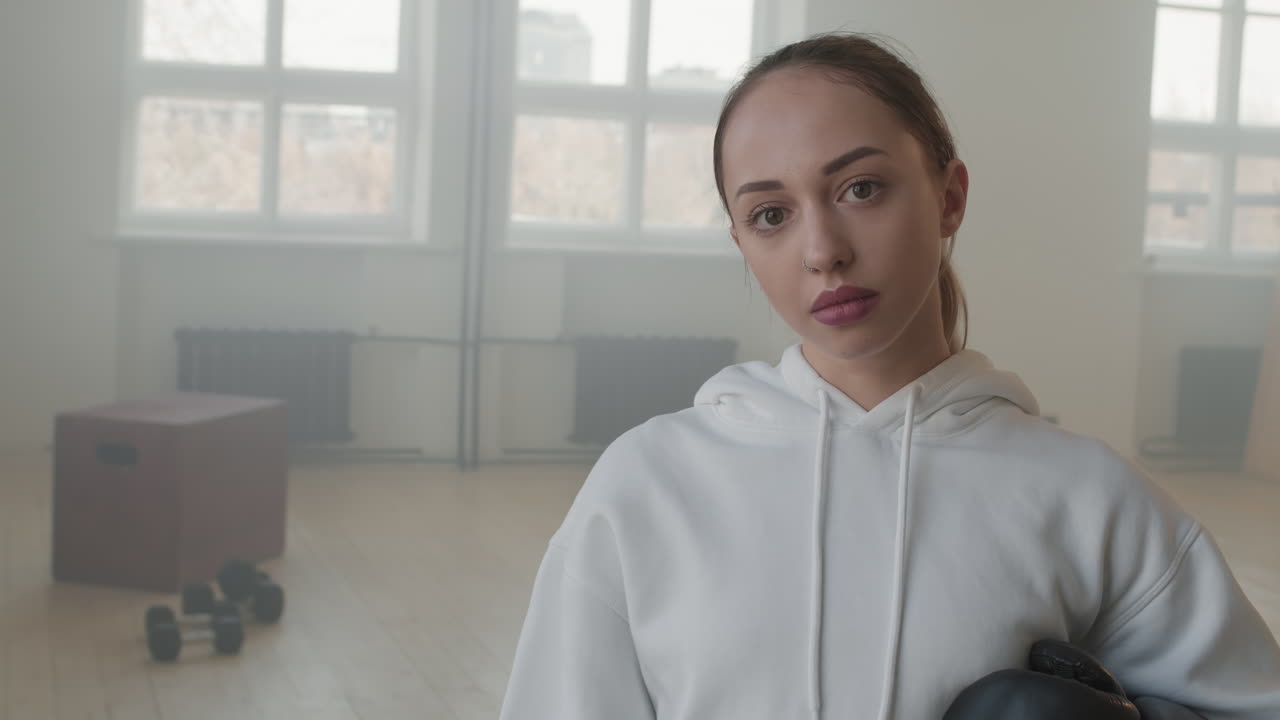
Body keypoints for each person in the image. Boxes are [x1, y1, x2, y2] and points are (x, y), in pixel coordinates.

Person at [497, 32, 1280, 719]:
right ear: (742, 242)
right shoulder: (647, 484)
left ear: (949, 197)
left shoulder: (1090, 500)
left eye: (860, 189)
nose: (823, 250)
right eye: (772, 214)